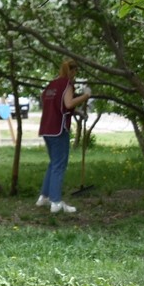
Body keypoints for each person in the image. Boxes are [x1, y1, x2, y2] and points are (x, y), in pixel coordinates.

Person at [37, 58, 92, 213]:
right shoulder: (67, 84)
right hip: (58, 129)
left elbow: (56, 106)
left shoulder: (51, 85)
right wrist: (86, 96)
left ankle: (44, 197)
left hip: (46, 128)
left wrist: (76, 112)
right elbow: (68, 104)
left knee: (53, 163)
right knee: (59, 165)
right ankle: (56, 202)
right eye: (76, 72)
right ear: (73, 71)